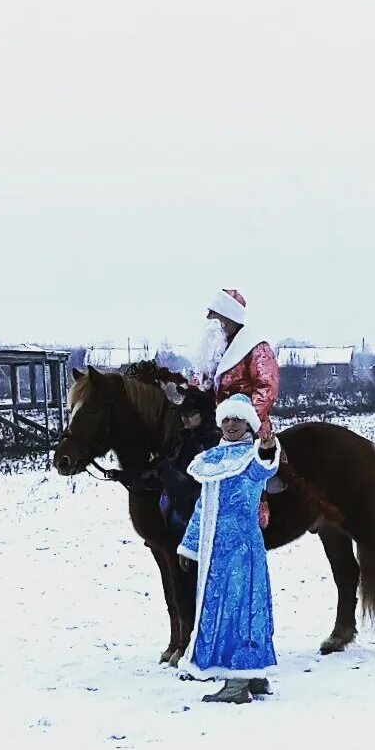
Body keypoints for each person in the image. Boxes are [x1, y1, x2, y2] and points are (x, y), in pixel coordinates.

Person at [177, 394, 281, 704]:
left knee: (242, 610)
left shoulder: (251, 458)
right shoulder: (211, 458)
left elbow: (265, 467)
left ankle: (238, 683)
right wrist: (190, 545)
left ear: (249, 423)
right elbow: (202, 506)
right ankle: (255, 674)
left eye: (238, 419)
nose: (231, 424)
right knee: (223, 611)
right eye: (227, 419)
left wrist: (266, 448)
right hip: (214, 555)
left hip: (242, 552)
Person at [197, 289, 282, 526]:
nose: (208, 320)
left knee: (249, 466)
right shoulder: (214, 349)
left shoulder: (256, 348)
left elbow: (267, 386)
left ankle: (256, 511)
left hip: (246, 426)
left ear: (228, 317)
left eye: (213, 314)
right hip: (217, 423)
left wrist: (245, 420)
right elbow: (201, 384)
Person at [105, 387, 222, 542]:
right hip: (181, 518)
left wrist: (131, 476)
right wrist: (125, 475)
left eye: (192, 414)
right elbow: (162, 467)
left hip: (199, 522)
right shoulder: (185, 439)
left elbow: (166, 473)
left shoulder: (210, 443)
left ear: (205, 415)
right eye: (183, 414)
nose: (186, 419)